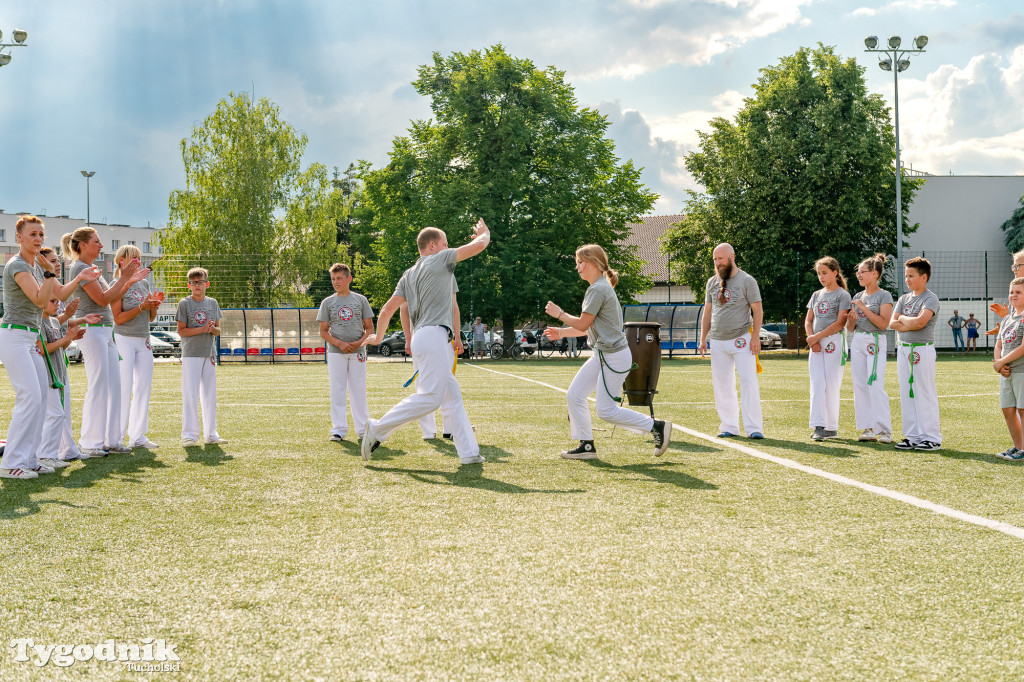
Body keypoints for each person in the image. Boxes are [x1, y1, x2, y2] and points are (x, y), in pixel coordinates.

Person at [361, 220, 491, 465]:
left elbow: (388, 309)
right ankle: (378, 429)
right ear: (432, 246)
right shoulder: (440, 259)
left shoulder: (408, 275)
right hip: (432, 337)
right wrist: (485, 234)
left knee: (452, 397)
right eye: (445, 244)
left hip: (426, 338)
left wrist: (378, 338)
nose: (448, 248)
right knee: (431, 397)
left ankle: (469, 453)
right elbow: (477, 247)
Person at [544, 245, 672, 459]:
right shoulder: (598, 287)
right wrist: (561, 333)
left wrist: (560, 314)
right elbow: (588, 326)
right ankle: (586, 446)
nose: (577, 267)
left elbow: (584, 324)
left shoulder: (598, 289)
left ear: (593, 262)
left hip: (614, 357)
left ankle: (656, 426)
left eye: (580, 262)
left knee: (606, 411)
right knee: (574, 395)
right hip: (604, 355)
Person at [0, 216, 100, 479]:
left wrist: (80, 279)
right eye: (32, 234)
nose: (38, 239)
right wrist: (50, 274)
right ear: (19, 238)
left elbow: (62, 294)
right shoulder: (19, 265)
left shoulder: (37, 266)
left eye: (41, 235)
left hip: (29, 338)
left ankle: (30, 460)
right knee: (30, 397)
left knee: (42, 398)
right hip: (14, 337)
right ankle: (11, 462)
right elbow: (41, 299)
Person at [62, 226, 149, 456]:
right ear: (83, 245)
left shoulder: (90, 267)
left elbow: (111, 295)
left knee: (114, 386)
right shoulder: (80, 268)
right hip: (93, 331)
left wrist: (128, 281)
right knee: (99, 385)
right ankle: (90, 443)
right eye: (97, 241)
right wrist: (126, 279)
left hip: (105, 331)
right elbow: (104, 299)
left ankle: (111, 440)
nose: (101, 246)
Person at [698, 243, 765, 439]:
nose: (717, 263)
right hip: (717, 341)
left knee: (748, 382)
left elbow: (758, 309)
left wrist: (755, 337)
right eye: (715, 259)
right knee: (722, 384)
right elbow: (707, 312)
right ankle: (729, 426)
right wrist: (703, 338)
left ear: (732, 257)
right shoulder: (711, 282)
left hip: (742, 339)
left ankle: (754, 428)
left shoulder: (747, 280)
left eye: (721, 258)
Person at [889, 257, 942, 451]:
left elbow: (921, 323)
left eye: (911, 276)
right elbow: (892, 324)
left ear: (924, 277)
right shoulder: (904, 299)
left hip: (922, 349)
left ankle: (931, 437)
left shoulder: (930, 298)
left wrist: (903, 319)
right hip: (903, 348)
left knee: (924, 392)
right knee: (907, 392)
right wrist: (906, 320)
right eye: (906, 276)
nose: (907, 280)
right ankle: (912, 436)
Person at [112, 245, 162, 449]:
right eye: (134, 258)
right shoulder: (117, 284)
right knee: (124, 388)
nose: (138, 262)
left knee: (143, 387)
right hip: (123, 338)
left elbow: (149, 318)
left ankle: (138, 436)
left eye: (139, 258)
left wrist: (154, 305)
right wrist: (142, 306)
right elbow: (118, 318)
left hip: (144, 339)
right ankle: (117, 437)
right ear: (121, 261)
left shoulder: (143, 284)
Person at [317, 263, 373, 443]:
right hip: (336, 352)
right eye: (333, 279)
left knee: (358, 390)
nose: (336, 282)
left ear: (349, 279)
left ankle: (364, 430)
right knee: (337, 389)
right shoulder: (327, 302)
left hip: (358, 352)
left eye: (339, 278)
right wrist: (340, 344)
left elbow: (369, 328)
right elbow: (324, 331)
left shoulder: (361, 300)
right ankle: (339, 430)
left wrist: (358, 343)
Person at [38, 295, 96, 470]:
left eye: (58, 302)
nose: (57, 305)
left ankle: (50, 454)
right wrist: (66, 338)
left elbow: (59, 347)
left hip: (58, 372)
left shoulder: (54, 322)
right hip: (48, 374)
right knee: (55, 415)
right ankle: (45, 455)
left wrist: (71, 337)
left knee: (57, 415)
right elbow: (43, 349)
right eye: (53, 301)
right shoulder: (39, 323)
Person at [176, 267, 227, 447]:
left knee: (209, 395)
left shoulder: (213, 303)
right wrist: (202, 329)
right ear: (189, 285)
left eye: (201, 282)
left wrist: (212, 329)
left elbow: (219, 330)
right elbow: (181, 331)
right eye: (194, 283)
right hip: (191, 354)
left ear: (207, 284)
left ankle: (211, 434)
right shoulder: (184, 304)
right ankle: (189, 435)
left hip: (209, 353)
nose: (197, 285)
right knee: (190, 395)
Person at [847, 254, 894, 443]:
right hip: (857, 340)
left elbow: (883, 324)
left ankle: (885, 431)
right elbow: (851, 328)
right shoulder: (858, 296)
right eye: (858, 272)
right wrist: (851, 322)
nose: (858, 275)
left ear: (874, 274)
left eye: (862, 272)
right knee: (859, 385)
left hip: (875, 341)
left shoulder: (884, 295)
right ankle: (867, 429)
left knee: (874, 384)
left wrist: (863, 308)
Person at [805, 256, 852, 441]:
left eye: (824, 273)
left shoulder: (843, 295)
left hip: (833, 342)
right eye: (819, 273)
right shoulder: (816, 294)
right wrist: (812, 339)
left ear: (834, 272)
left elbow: (840, 322)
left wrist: (818, 337)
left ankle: (831, 427)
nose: (821, 277)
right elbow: (809, 320)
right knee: (817, 384)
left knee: (831, 385)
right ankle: (818, 425)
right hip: (815, 344)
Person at [993, 278, 1024, 460]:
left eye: (1018, 292)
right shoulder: (1006, 319)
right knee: (1008, 409)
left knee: (1022, 410)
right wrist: (999, 363)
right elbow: (999, 344)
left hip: (1021, 371)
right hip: (1006, 372)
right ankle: (1018, 446)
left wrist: (1001, 361)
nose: (1013, 295)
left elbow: (1022, 347)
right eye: (1011, 292)